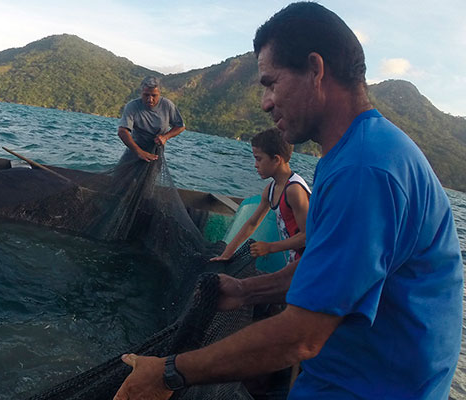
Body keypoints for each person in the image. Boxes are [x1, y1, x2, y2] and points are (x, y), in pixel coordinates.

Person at [114, 3, 463, 400]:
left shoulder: (365, 169)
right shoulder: (355, 154)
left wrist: (169, 373)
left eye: (270, 82)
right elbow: (329, 273)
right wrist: (249, 292)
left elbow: (301, 338)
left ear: (315, 70)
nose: (265, 102)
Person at [211, 128, 310, 265]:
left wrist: (270, 247)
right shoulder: (270, 190)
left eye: (259, 159)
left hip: (312, 261)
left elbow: (307, 236)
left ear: (276, 159)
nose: (255, 165)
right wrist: (226, 254)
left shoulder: (294, 190)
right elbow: (252, 223)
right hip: (295, 260)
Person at [117, 76, 185, 162]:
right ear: (141, 93)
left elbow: (180, 126)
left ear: (159, 94)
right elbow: (122, 131)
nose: (150, 99)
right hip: (134, 152)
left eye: (154, 95)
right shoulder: (132, 106)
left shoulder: (167, 105)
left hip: (155, 155)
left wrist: (165, 137)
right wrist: (139, 152)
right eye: (146, 95)